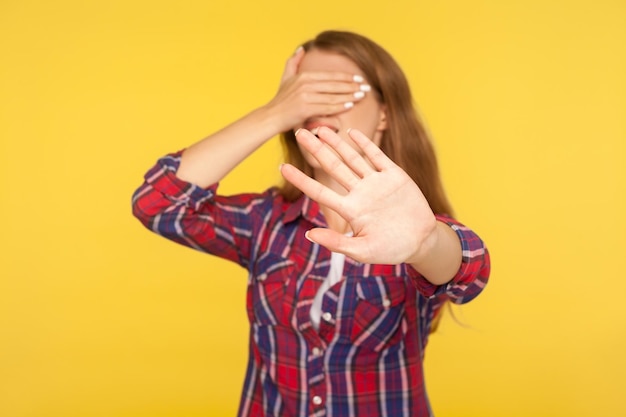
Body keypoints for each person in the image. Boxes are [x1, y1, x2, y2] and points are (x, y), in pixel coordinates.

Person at [132, 30, 490, 417]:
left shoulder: (413, 225)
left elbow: (469, 271)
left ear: (384, 113)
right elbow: (158, 203)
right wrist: (274, 113)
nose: (319, 106)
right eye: (305, 92)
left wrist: (424, 244)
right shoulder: (266, 223)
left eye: (338, 91)